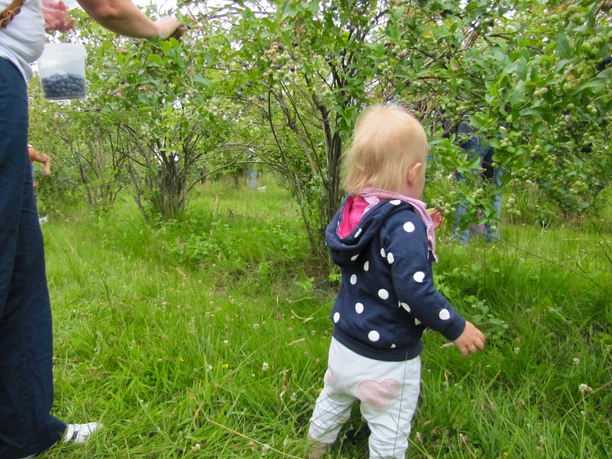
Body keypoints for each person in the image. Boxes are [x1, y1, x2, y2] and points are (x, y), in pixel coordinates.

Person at [0, 2, 185, 458]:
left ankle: (24, 433)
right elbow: (108, 7)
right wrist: (160, 29)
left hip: (11, 94)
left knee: (21, 279)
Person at [306, 105, 485, 459]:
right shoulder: (404, 224)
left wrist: (421, 225)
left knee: (333, 398)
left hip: (344, 345)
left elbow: (381, 239)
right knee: (390, 426)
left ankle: (310, 448)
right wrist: (456, 327)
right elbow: (415, 292)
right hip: (387, 356)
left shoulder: (355, 209)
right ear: (413, 172)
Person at [452, 121, 502, 244]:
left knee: (464, 190)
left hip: (471, 131)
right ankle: (493, 239)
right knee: (494, 189)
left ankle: (460, 242)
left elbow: (451, 116)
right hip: (499, 133)